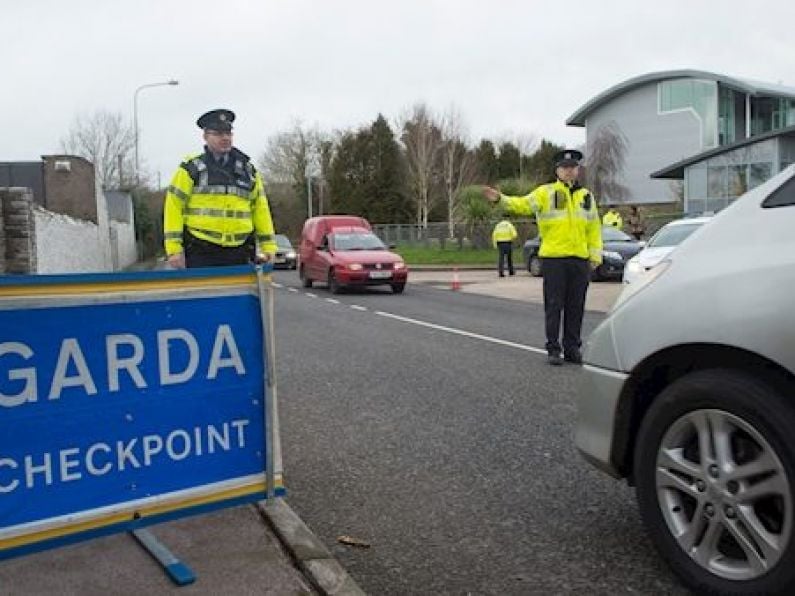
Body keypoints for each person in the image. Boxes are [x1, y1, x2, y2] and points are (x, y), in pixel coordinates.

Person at [482, 149, 602, 365]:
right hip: (555, 259)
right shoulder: (545, 193)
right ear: (557, 171)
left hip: (579, 260)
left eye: (573, 167)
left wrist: (595, 255)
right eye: (564, 168)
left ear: (578, 170)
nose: (569, 171)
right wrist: (500, 199)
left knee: (576, 307)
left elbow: (594, 228)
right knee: (554, 305)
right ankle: (553, 348)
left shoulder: (586, 196)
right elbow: (522, 204)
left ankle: (572, 348)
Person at [163, 109, 277, 268]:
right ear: (205, 137)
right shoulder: (192, 169)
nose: (225, 138)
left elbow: (260, 209)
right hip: (201, 251)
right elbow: (174, 206)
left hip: (240, 251)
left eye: (228, 133)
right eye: (217, 133)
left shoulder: (248, 171)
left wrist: (269, 246)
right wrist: (174, 249)